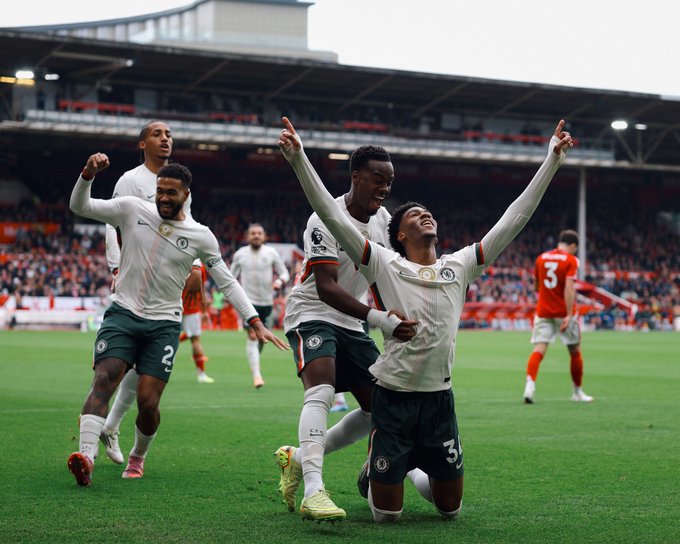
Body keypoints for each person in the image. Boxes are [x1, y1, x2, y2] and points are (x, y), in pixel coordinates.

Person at [279, 116, 573, 522]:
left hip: (438, 400)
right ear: (399, 235)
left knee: (449, 510)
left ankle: (372, 463)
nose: (423, 214)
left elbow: (514, 219)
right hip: (329, 326)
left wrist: (551, 162)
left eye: (427, 211)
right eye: (414, 215)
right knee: (385, 512)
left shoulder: (459, 264)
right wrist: (298, 160)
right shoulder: (383, 262)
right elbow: (330, 218)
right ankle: (318, 483)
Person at [67, 154, 287, 486]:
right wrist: (87, 175)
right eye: (160, 191)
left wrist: (254, 320)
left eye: (172, 193)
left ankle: (138, 456)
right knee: (104, 379)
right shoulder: (131, 208)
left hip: (164, 324)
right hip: (123, 313)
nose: (164, 198)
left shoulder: (201, 235)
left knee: (148, 401)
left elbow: (226, 280)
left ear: (186, 195)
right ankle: (86, 457)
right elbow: (80, 207)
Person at [273, 142, 416, 522]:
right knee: (320, 388)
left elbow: (393, 276)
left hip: (352, 321)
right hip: (312, 313)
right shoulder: (325, 217)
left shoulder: (386, 223)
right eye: (377, 179)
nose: (384, 187)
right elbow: (326, 286)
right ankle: (314, 491)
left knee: (379, 407)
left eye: (389, 181)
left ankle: (299, 459)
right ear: (355, 177)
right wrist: (380, 319)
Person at [99, 120, 203, 465]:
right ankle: (107, 425)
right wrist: (116, 267)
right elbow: (112, 226)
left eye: (169, 134)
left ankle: (110, 427)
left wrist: (197, 268)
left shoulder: (180, 183)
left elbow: (191, 228)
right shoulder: (130, 181)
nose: (165, 139)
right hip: (133, 281)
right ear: (142, 143)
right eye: (157, 134)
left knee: (140, 365)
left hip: (166, 283)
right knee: (124, 362)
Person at [523, 230, 594, 404]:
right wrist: (569, 314)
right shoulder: (571, 260)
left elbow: (537, 287)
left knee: (539, 350)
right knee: (575, 350)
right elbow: (569, 288)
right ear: (573, 246)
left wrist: (547, 297)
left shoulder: (541, 258)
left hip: (544, 311)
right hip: (563, 312)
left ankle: (529, 388)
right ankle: (577, 392)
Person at [230, 223, 290, 388]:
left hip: (267, 303)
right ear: (247, 236)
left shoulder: (271, 253)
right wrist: (233, 297)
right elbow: (231, 278)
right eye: (253, 233)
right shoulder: (240, 255)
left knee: (262, 339)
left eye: (259, 233)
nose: (256, 236)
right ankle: (257, 376)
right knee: (252, 336)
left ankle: (255, 365)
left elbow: (284, 272)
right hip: (248, 303)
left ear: (264, 236)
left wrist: (279, 281)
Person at [178, 263, 215, 384]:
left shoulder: (174, 254)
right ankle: (201, 374)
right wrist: (204, 311)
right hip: (191, 306)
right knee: (195, 340)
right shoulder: (199, 265)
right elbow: (201, 288)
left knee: (164, 336)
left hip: (171, 304)